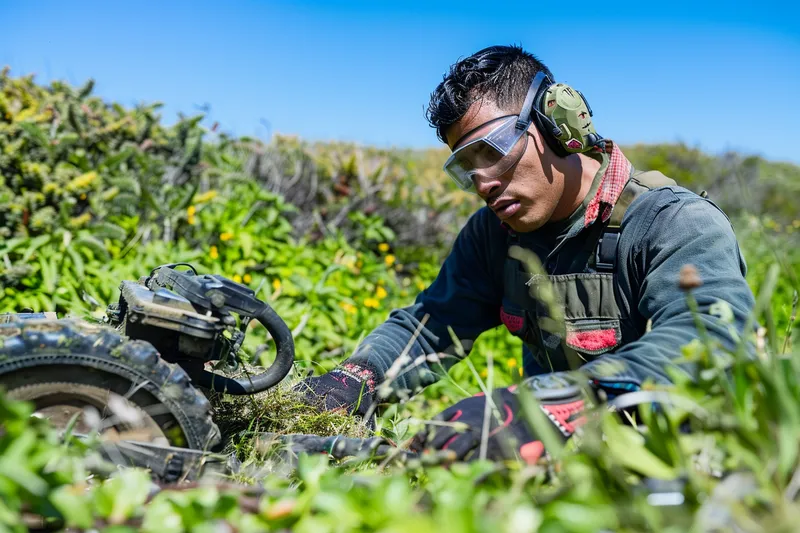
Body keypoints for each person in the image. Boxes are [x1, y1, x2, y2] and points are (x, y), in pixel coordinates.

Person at [296, 45, 755, 463]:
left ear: (559, 126)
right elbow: (432, 326)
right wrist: (356, 378)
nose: (483, 182)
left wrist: (541, 406)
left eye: (492, 151)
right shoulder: (495, 234)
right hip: (550, 471)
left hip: (671, 466)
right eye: (465, 167)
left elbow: (709, 342)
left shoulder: (675, 222)